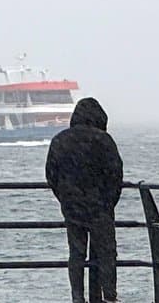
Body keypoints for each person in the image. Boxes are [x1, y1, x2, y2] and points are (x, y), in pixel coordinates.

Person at [45, 98, 123, 303]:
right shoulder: (104, 141)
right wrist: (107, 202)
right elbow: (116, 175)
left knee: (76, 254)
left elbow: (51, 175)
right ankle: (109, 296)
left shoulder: (60, 140)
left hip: (72, 206)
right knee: (106, 253)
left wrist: (65, 197)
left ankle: (77, 297)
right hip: (100, 207)